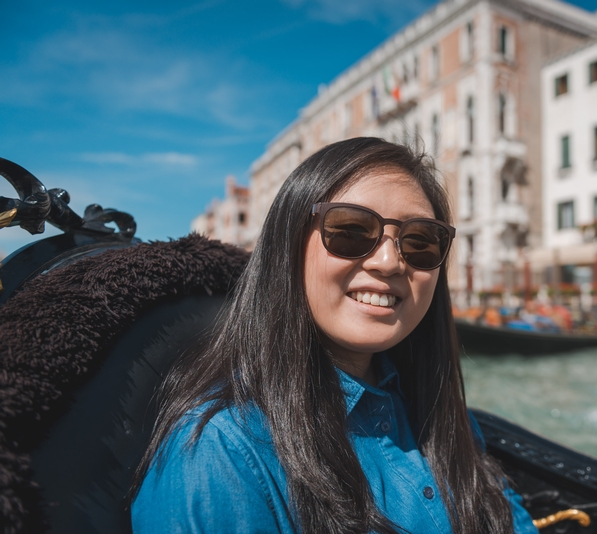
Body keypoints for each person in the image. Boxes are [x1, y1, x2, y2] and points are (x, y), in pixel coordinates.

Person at [131, 138, 537, 533]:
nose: (389, 261)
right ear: (287, 248)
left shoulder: (442, 412)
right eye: (351, 231)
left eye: (419, 241)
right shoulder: (220, 456)